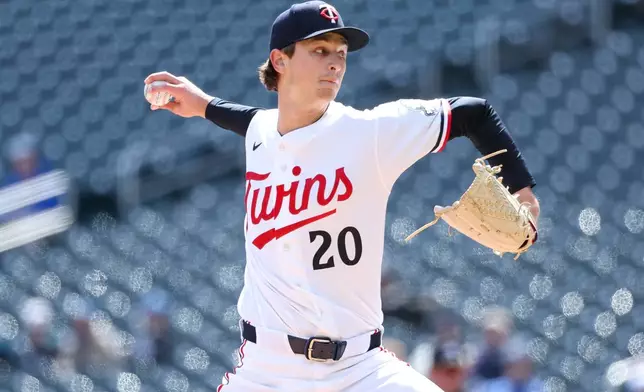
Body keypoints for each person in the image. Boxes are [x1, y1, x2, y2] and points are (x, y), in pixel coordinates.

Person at [143, 1, 540, 390]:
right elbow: (247, 120)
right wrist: (201, 104)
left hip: (360, 368)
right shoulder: (261, 132)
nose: (334, 63)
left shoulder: (370, 133)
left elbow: (474, 114)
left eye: (341, 53)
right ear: (280, 61)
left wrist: (523, 193)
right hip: (265, 370)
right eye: (319, 50)